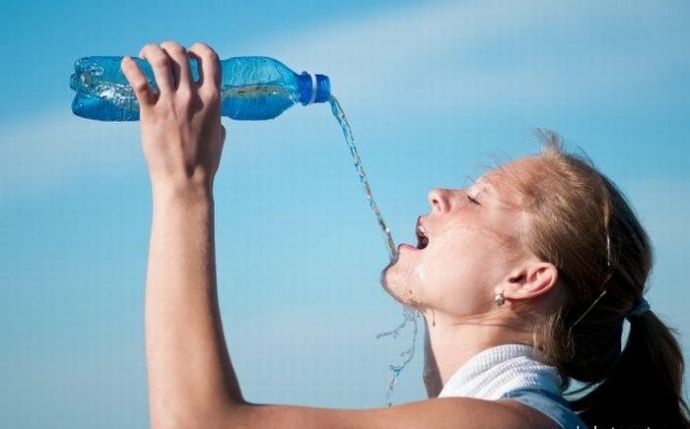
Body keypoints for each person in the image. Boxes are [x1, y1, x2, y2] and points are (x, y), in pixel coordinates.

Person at [121, 41, 690, 429]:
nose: (439, 194)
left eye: (478, 198)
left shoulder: (506, 423)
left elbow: (196, 423)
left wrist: (182, 183)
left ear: (526, 278)